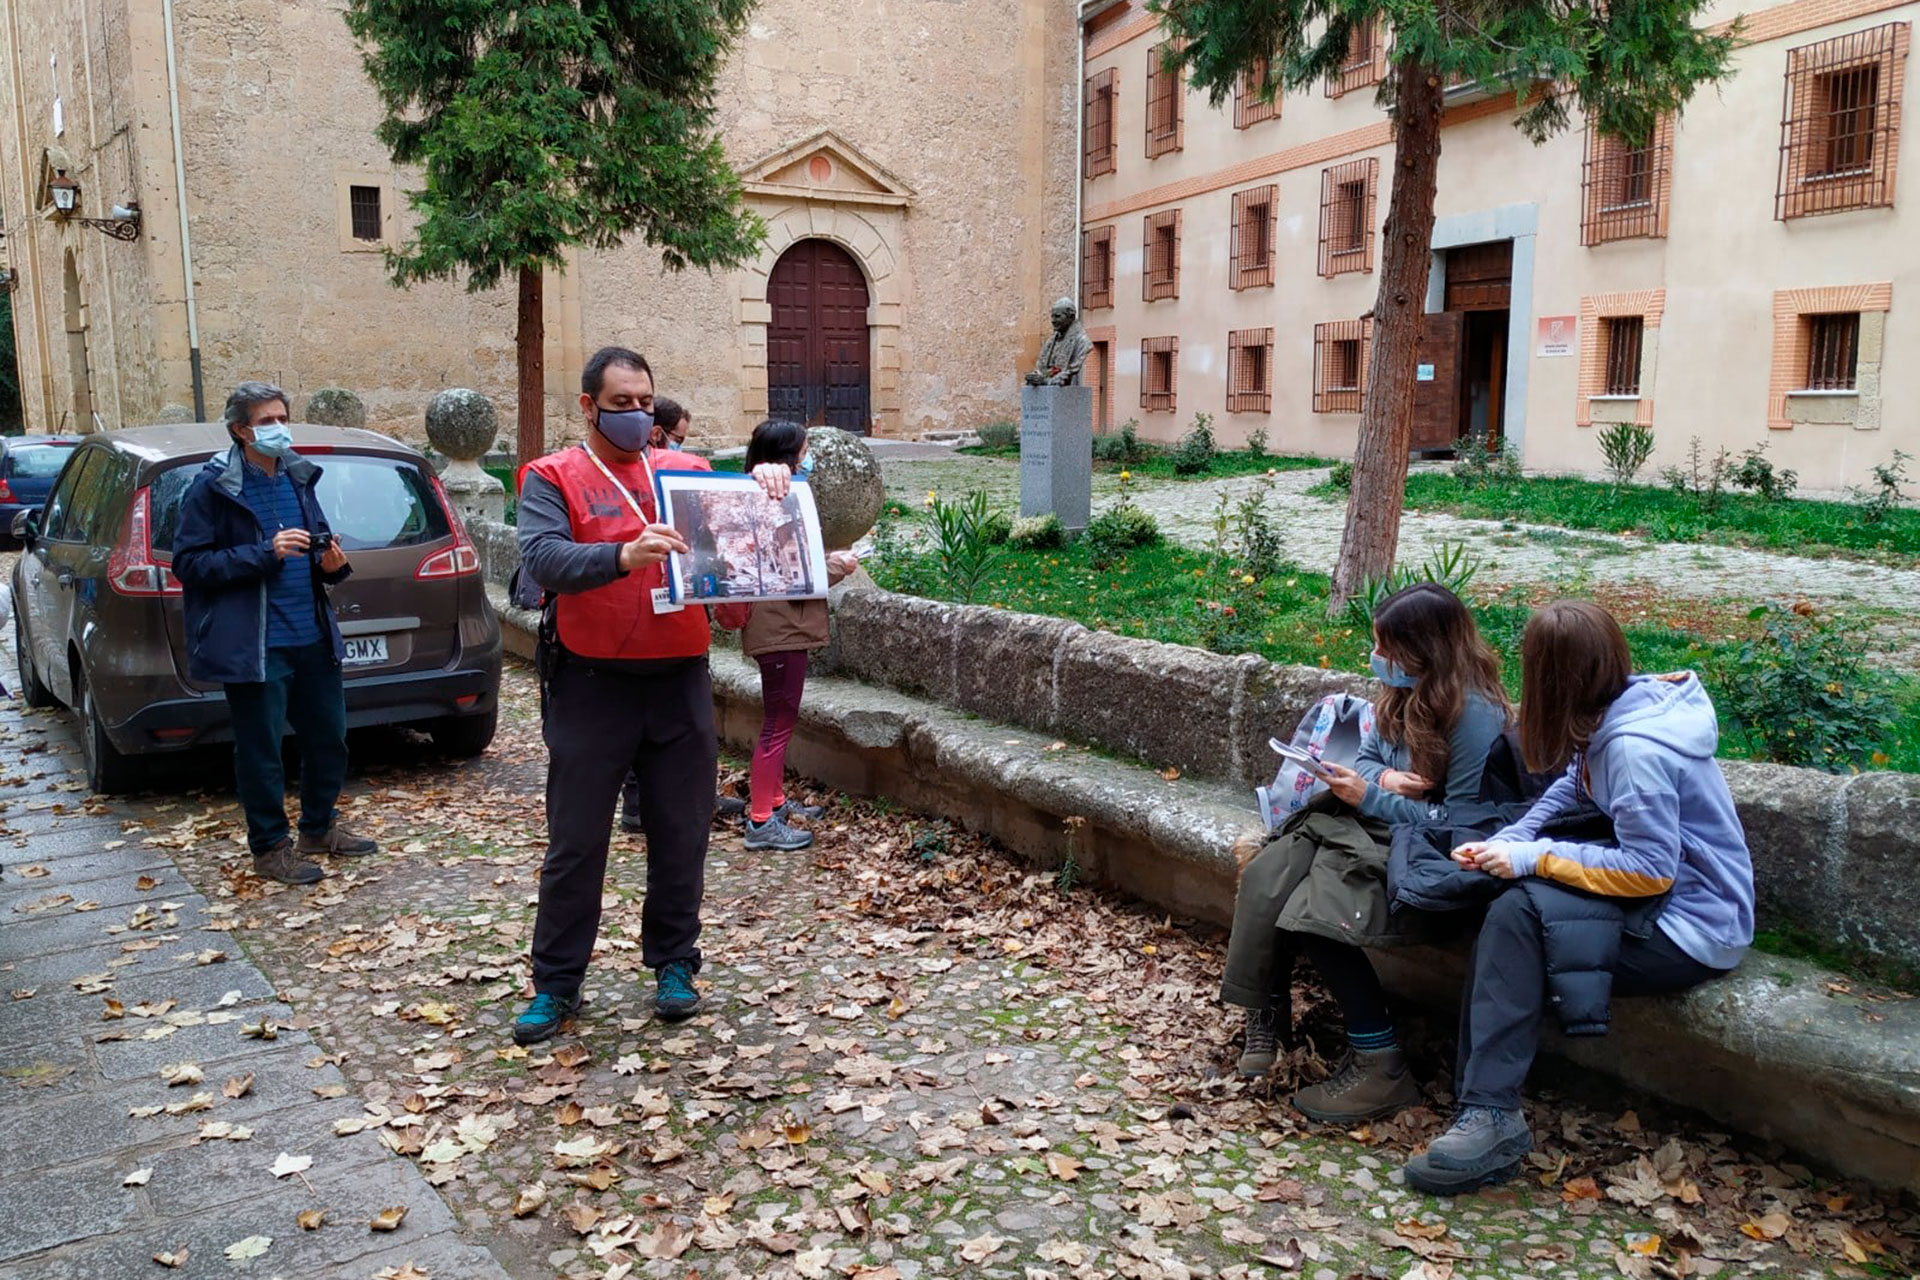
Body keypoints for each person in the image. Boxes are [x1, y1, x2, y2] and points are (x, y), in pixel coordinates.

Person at [1407, 601, 1753, 1194]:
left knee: (1518, 912)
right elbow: (1573, 782)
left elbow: (1649, 871)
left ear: (1548, 676)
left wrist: (1534, 858)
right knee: (1510, 899)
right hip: (1660, 903)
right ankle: (1481, 1102)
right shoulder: (1614, 713)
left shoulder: (1633, 750)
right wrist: (1515, 837)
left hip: (1693, 927)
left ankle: (1491, 1115)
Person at [513, 347, 790, 1043]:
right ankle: (556, 984)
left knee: (682, 833)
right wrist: (620, 555)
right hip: (591, 683)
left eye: (645, 402)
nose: (638, 416)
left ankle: (674, 963)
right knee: (576, 842)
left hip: (678, 682)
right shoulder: (553, 477)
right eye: (621, 404)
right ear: (588, 406)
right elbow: (542, 557)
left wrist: (771, 479)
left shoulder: (688, 474)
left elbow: (740, 534)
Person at [1221, 583, 1511, 1121]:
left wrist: (1376, 796)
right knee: (1270, 871)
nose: (1377, 659)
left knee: (1317, 908)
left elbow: (1466, 827)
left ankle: (1380, 1061)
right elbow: (1372, 756)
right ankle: (1268, 1010)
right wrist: (1386, 782)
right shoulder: (1403, 691)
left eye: (1387, 648)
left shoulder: (1474, 718)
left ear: (1425, 652)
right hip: (1371, 823)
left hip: (1425, 854)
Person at [173, 381, 378, 885]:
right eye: (267, 421)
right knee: (262, 750)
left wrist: (333, 564)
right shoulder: (213, 487)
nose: (278, 427)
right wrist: (265, 552)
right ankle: (269, 847)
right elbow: (190, 563)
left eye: (282, 417)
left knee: (329, 738)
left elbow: (317, 549)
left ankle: (318, 827)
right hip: (256, 643)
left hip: (311, 635)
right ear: (241, 430)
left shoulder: (298, 475)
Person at [712, 420, 859, 852]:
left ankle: (773, 802)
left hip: (780, 628)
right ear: (786, 457)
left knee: (780, 722)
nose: (809, 457)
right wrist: (839, 567)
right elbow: (793, 572)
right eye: (805, 451)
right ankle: (760, 822)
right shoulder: (769, 501)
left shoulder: (771, 498)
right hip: (779, 630)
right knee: (777, 726)